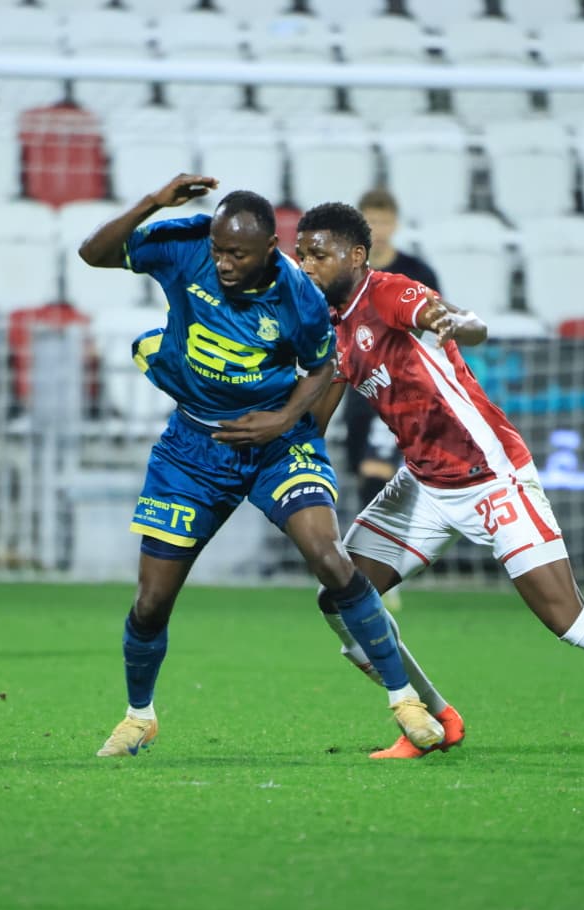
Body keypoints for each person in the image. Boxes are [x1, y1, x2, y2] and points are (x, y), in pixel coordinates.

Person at [292, 201, 584, 765]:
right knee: (342, 599)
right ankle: (434, 717)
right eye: (300, 255)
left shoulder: (389, 293)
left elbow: (460, 320)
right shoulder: (331, 328)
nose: (306, 265)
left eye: (319, 254)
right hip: (424, 486)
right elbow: (313, 420)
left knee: (568, 619)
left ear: (357, 255)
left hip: (490, 478)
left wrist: (457, 323)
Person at [77, 174, 444, 758]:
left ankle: (404, 700)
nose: (224, 263)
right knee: (151, 601)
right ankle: (139, 716)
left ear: (270, 249)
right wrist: (152, 203)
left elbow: (324, 367)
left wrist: (284, 420)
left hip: (276, 445)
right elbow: (92, 253)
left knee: (330, 557)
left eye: (238, 254)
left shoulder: (298, 295)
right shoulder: (186, 245)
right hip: (194, 449)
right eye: (219, 250)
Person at [346, 190, 440, 515]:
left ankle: (379, 546)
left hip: (400, 385)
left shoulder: (417, 273)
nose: (378, 230)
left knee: (377, 474)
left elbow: (436, 329)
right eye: (371, 222)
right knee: (364, 473)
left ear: (396, 224)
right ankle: (382, 542)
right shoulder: (347, 275)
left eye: (384, 222)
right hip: (359, 386)